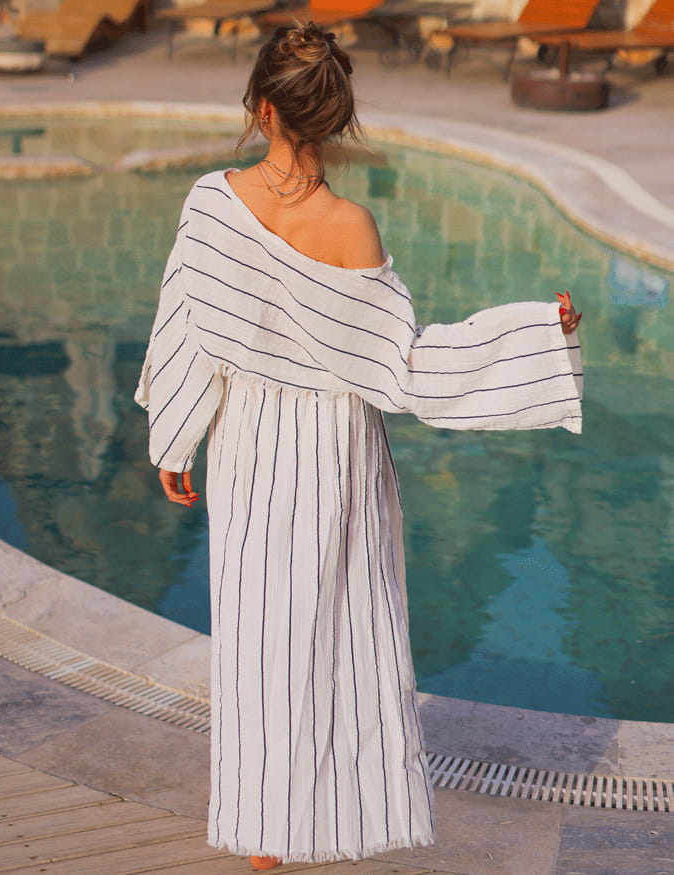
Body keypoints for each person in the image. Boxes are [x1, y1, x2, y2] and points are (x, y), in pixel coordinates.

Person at [136, 21, 582, 871]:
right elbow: (407, 370)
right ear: (333, 116)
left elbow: (188, 327)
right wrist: (539, 334)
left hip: (249, 455)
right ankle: (335, 820)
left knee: (256, 644)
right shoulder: (352, 228)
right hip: (333, 461)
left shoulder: (211, 203)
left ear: (262, 108)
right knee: (337, 642)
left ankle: (264, 841)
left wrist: (175, 438)